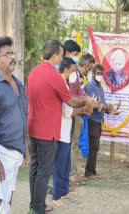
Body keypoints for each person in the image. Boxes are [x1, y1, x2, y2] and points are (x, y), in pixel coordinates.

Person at [26, 40, 94, 214]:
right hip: (47, 132)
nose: (62, 58)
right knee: (43, 171)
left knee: (35, 168)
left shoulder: (33, 73)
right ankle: (39, 208)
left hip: (33, 129)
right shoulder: (54, 76)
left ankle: (34, 205)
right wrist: (87, 100)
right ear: (55, 55)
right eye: (61, 55)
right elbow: (71, 101)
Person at [0, 36, 31, 214]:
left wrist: (26, 149)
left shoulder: (19, 84)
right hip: (1, 151)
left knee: (8, 196)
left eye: (12, 52)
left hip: (16, 152)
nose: (12, 57)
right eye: (7, 54)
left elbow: (23, 118)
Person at [52, 57, 93, 208]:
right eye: (74, 69)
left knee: (65, 163)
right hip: (61, 130)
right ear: (68, 70)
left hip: (66, 129)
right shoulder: (61, 83)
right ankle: (56, 196)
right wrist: (82, 109)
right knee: (60, 164)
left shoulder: (66, 84)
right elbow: (66, 111)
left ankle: (63, 191)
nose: (75, 72)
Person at [84, 64, 114, 177]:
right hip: (92, 119)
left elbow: (102, 103)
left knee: (95, 146)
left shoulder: (100, 87)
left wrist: (108, 108)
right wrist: (104, 107)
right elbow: (94, 104)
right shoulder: (91, 86)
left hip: (98, 120)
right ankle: (89, 171)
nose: (100, 76)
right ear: (93, 74)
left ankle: (92, 169)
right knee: (94, 146)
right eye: (98, 74)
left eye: (101, 74)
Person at [70, 53, 95, 184]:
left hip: (80, 112)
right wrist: (87, 101)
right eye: (90, 68)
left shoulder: (79, 76)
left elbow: (80, 94)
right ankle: (72, 174)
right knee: (74, 145)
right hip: (75, 112)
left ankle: (73, 173)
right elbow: (74, 96)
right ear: (86, 65)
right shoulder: (75, 76)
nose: (90, 70)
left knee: (75, 145)